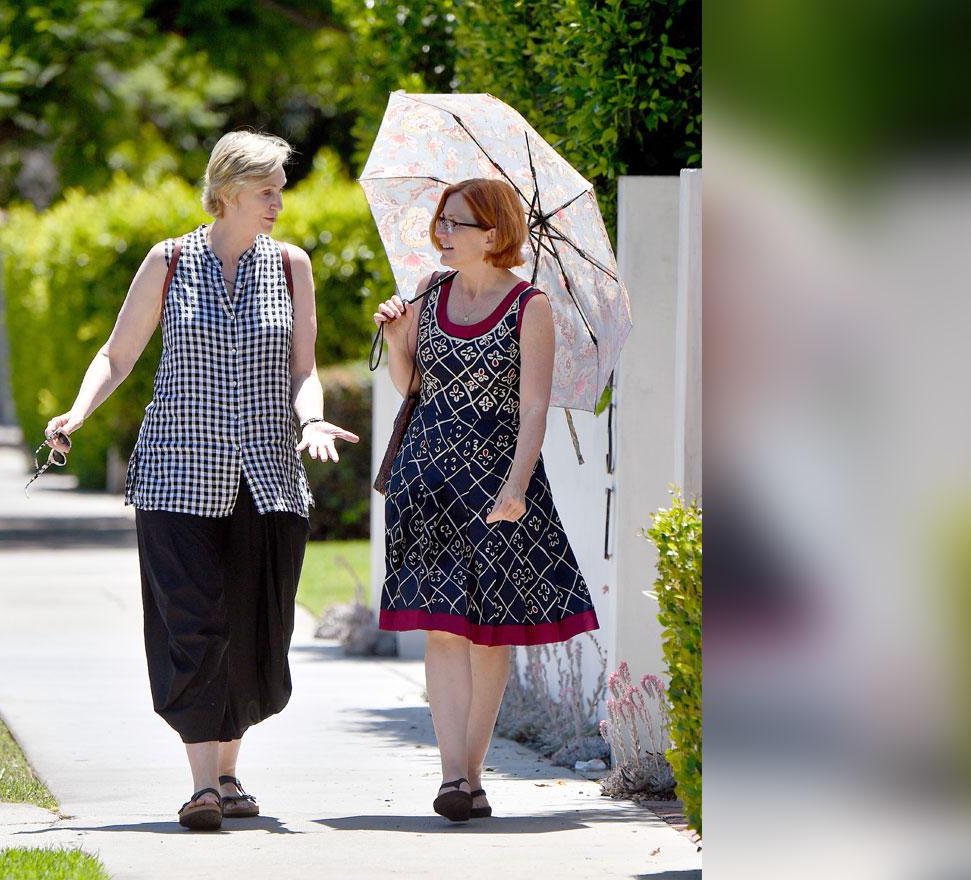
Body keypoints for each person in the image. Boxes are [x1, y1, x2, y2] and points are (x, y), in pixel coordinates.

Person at [44, 131, 359, 831]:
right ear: (228, 193)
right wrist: (78, 408)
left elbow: (303, 368)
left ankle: (228, 770)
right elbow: (118, 352)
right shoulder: (170, 259)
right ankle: (202, 786)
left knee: (253, 629)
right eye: (267, 189)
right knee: (192, 624)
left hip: (269, 476)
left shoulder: (291, 266)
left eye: (281, 187)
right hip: (177, 475)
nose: (280, 201)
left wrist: (311, 421)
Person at [372, 177, 599, 822]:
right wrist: (397, 341)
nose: (441, 232)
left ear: (495, 235)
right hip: (428, 481)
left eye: (457, 223)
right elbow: (411, 383)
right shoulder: (430, 293)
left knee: (488, 634)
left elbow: (534, 409)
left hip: (497, 483)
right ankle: (452, 777)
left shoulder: (532, 308)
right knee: (442, 629)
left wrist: (518, 486)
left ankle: (472, 774)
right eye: (441, 221)